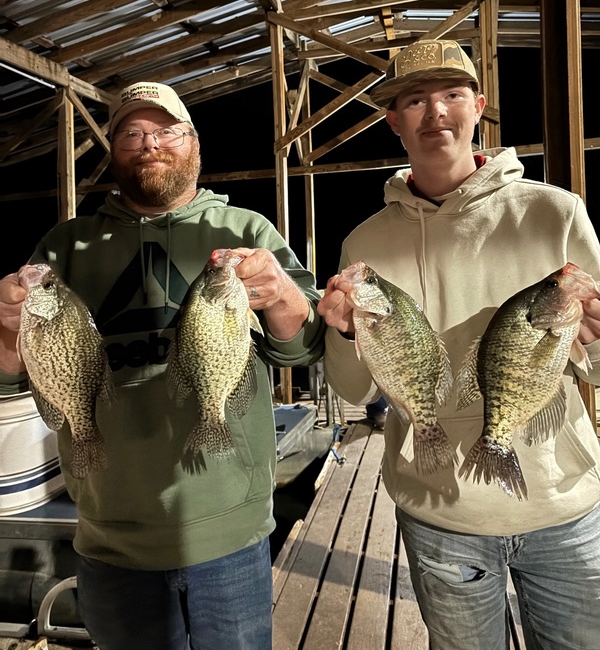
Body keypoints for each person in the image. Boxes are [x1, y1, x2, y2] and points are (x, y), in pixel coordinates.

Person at [0, 81, 325, 650]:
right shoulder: (64, 247)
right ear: (114, 152)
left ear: (193, 142)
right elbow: (11, 373)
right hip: (110, 534)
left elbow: (302, 348)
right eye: (131, 133)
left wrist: (281, 295)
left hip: (230, 530)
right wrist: (7, 325)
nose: (149, 143)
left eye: (166, 131)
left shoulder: (246, 231)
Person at [317, 40, 600, 650]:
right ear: (394, 121)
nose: (435, 112)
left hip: (562, 505)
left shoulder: (556, 213)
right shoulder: (365, 245)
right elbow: (354, 388)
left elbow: (597, 367)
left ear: (479, 106)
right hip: (438, 509)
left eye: (451, 94)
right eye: (414, 100)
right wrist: (344, 333)